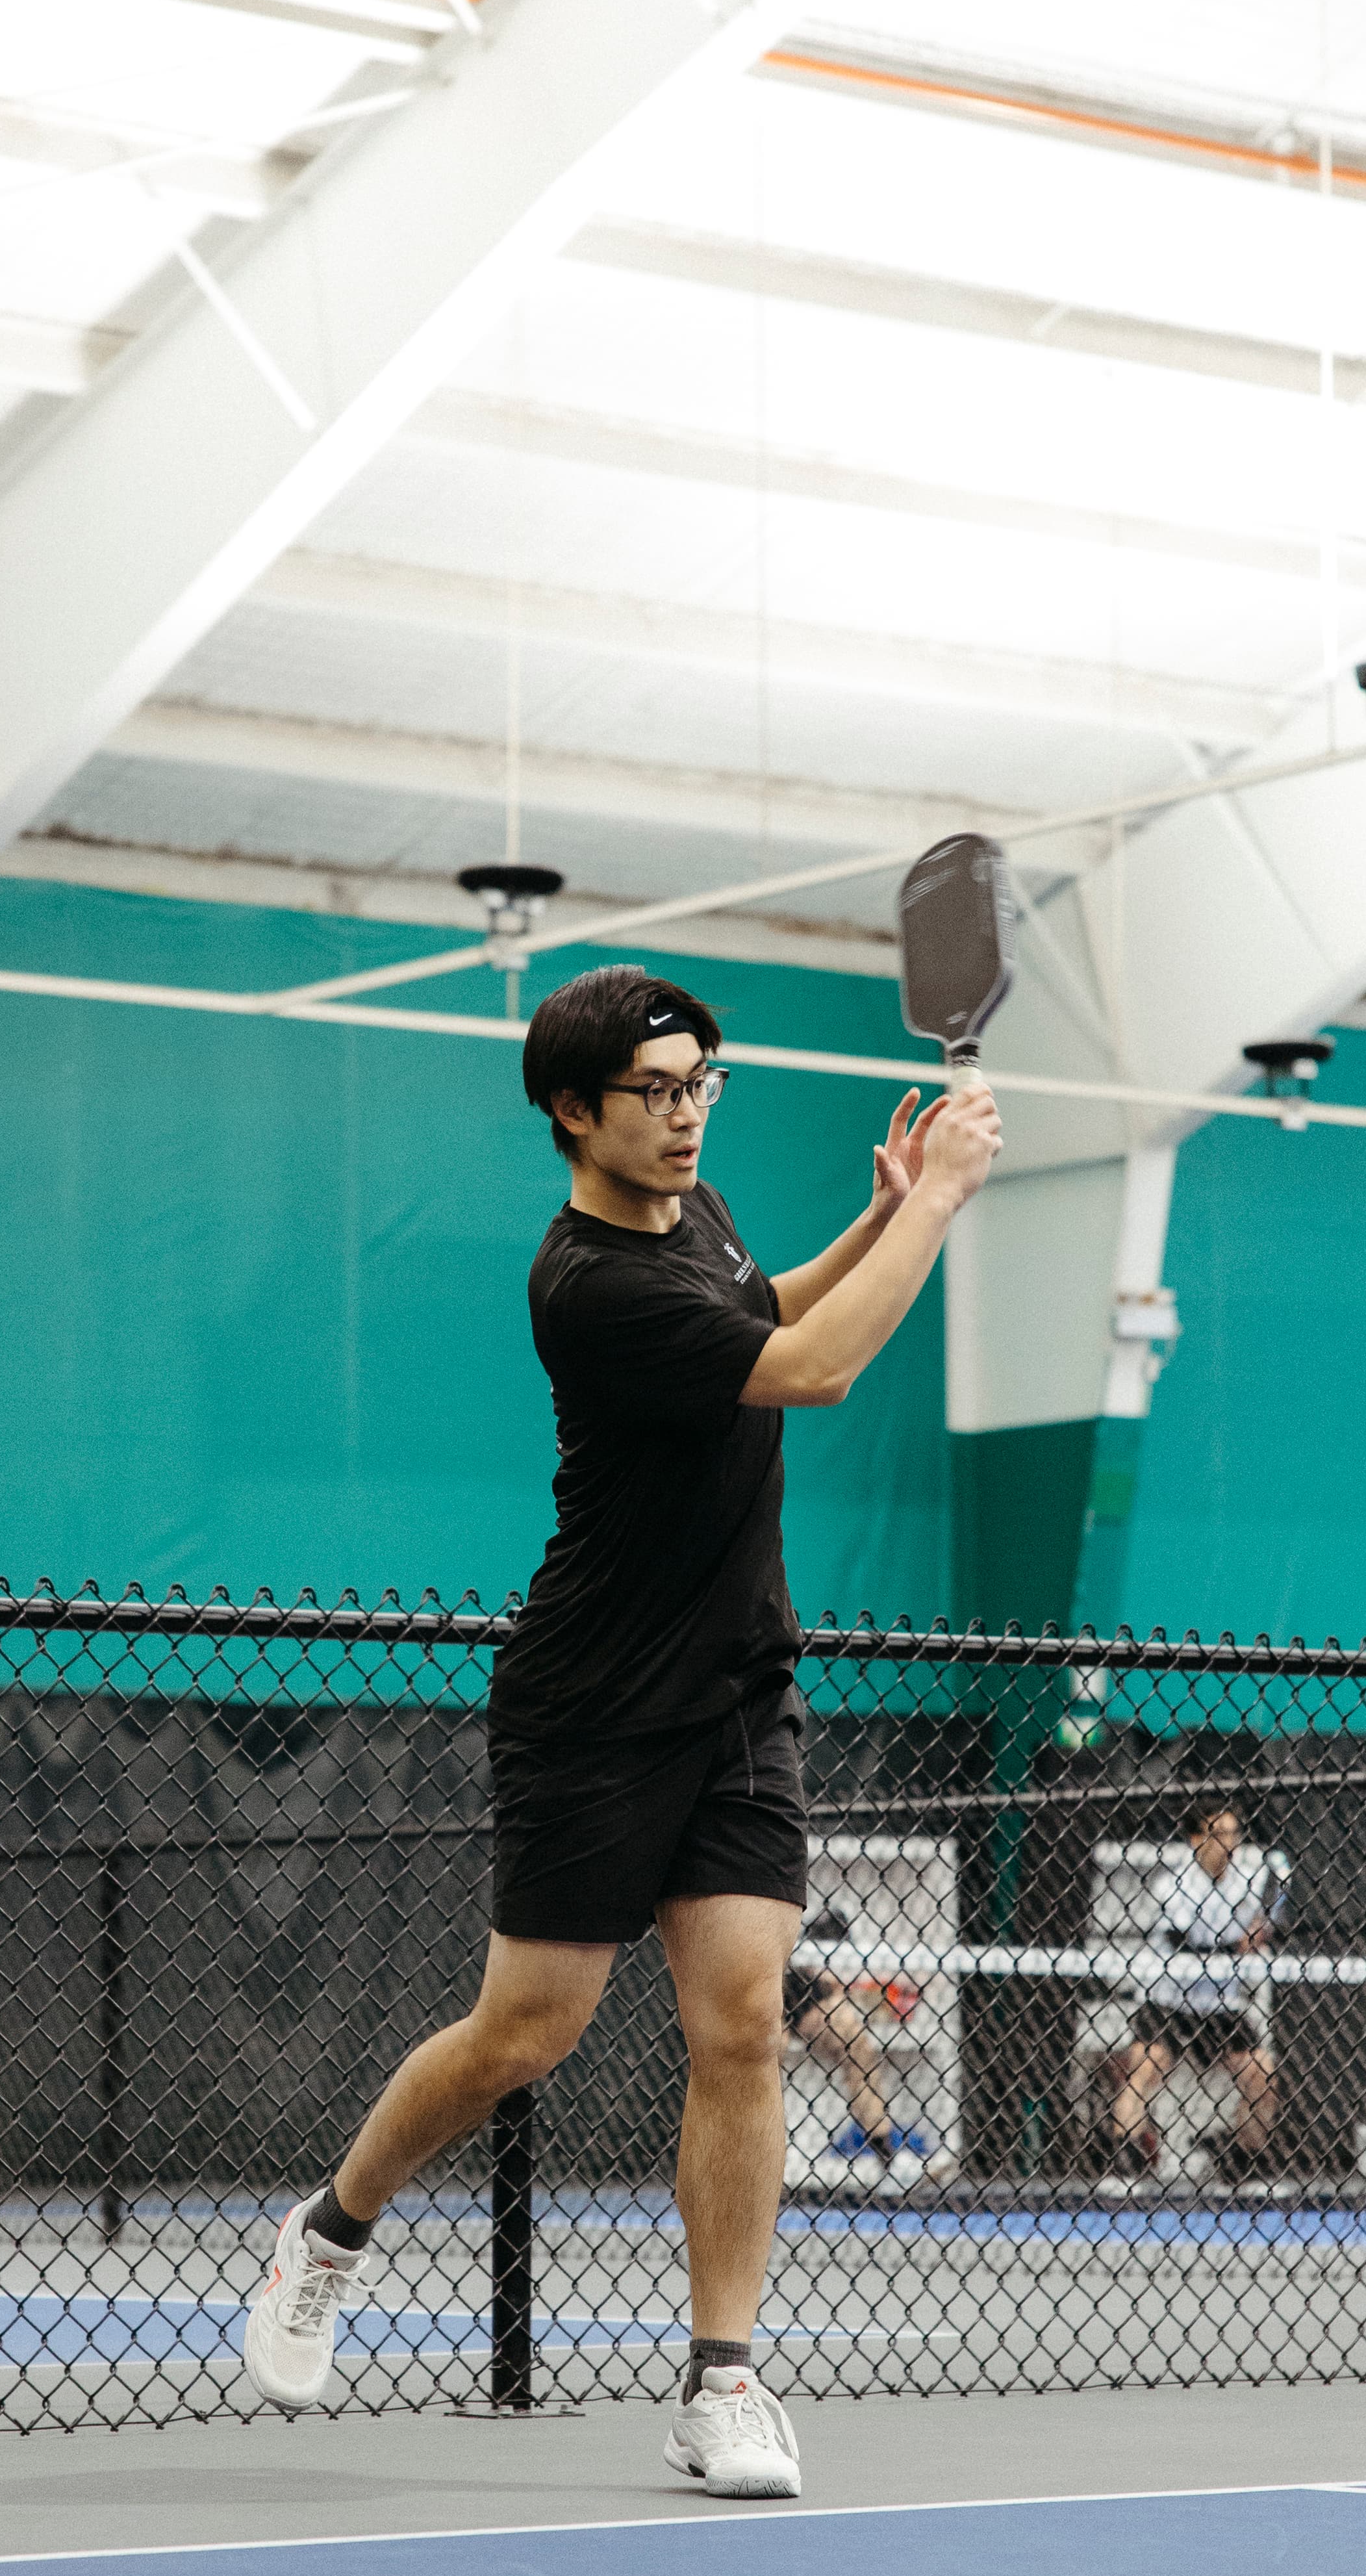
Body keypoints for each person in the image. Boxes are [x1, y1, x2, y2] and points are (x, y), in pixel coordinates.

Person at [243, 962, 1000, 2495]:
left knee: (742, 2020)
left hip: (736, 1698)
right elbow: (818, 1367)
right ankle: (329, 2229)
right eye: (656, 1092)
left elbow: (765, 1307)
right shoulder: (585, 1283)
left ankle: (723, 2382)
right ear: (572, 1112)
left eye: (703, 1082)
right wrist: (945, 1207)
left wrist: (885, 1208)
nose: (685, 1114)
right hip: (591, 1711)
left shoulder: (699, 1221)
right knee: (529, 2031)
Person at [1099, 1798, 1282, 2186]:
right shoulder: (1174, 1884)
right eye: (1220, 1835)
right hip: (1170, 2002)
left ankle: (1244, 2165)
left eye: (1235, 1835)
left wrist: (1259, 1933)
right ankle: (1126, 2165)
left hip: (1219, 2006)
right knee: (1144, 2065)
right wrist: (1239, 1943)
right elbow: (1186, 1944)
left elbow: (1256, 1929)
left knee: (1262, 2071)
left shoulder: (1247, 1884)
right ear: (1198, 1839)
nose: (1230, 1845)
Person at [781, 1958, 926, 2180]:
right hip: (743, 1982)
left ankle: (884, 2151)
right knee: (760, 2066)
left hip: (796, 1986)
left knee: (856, 2046)